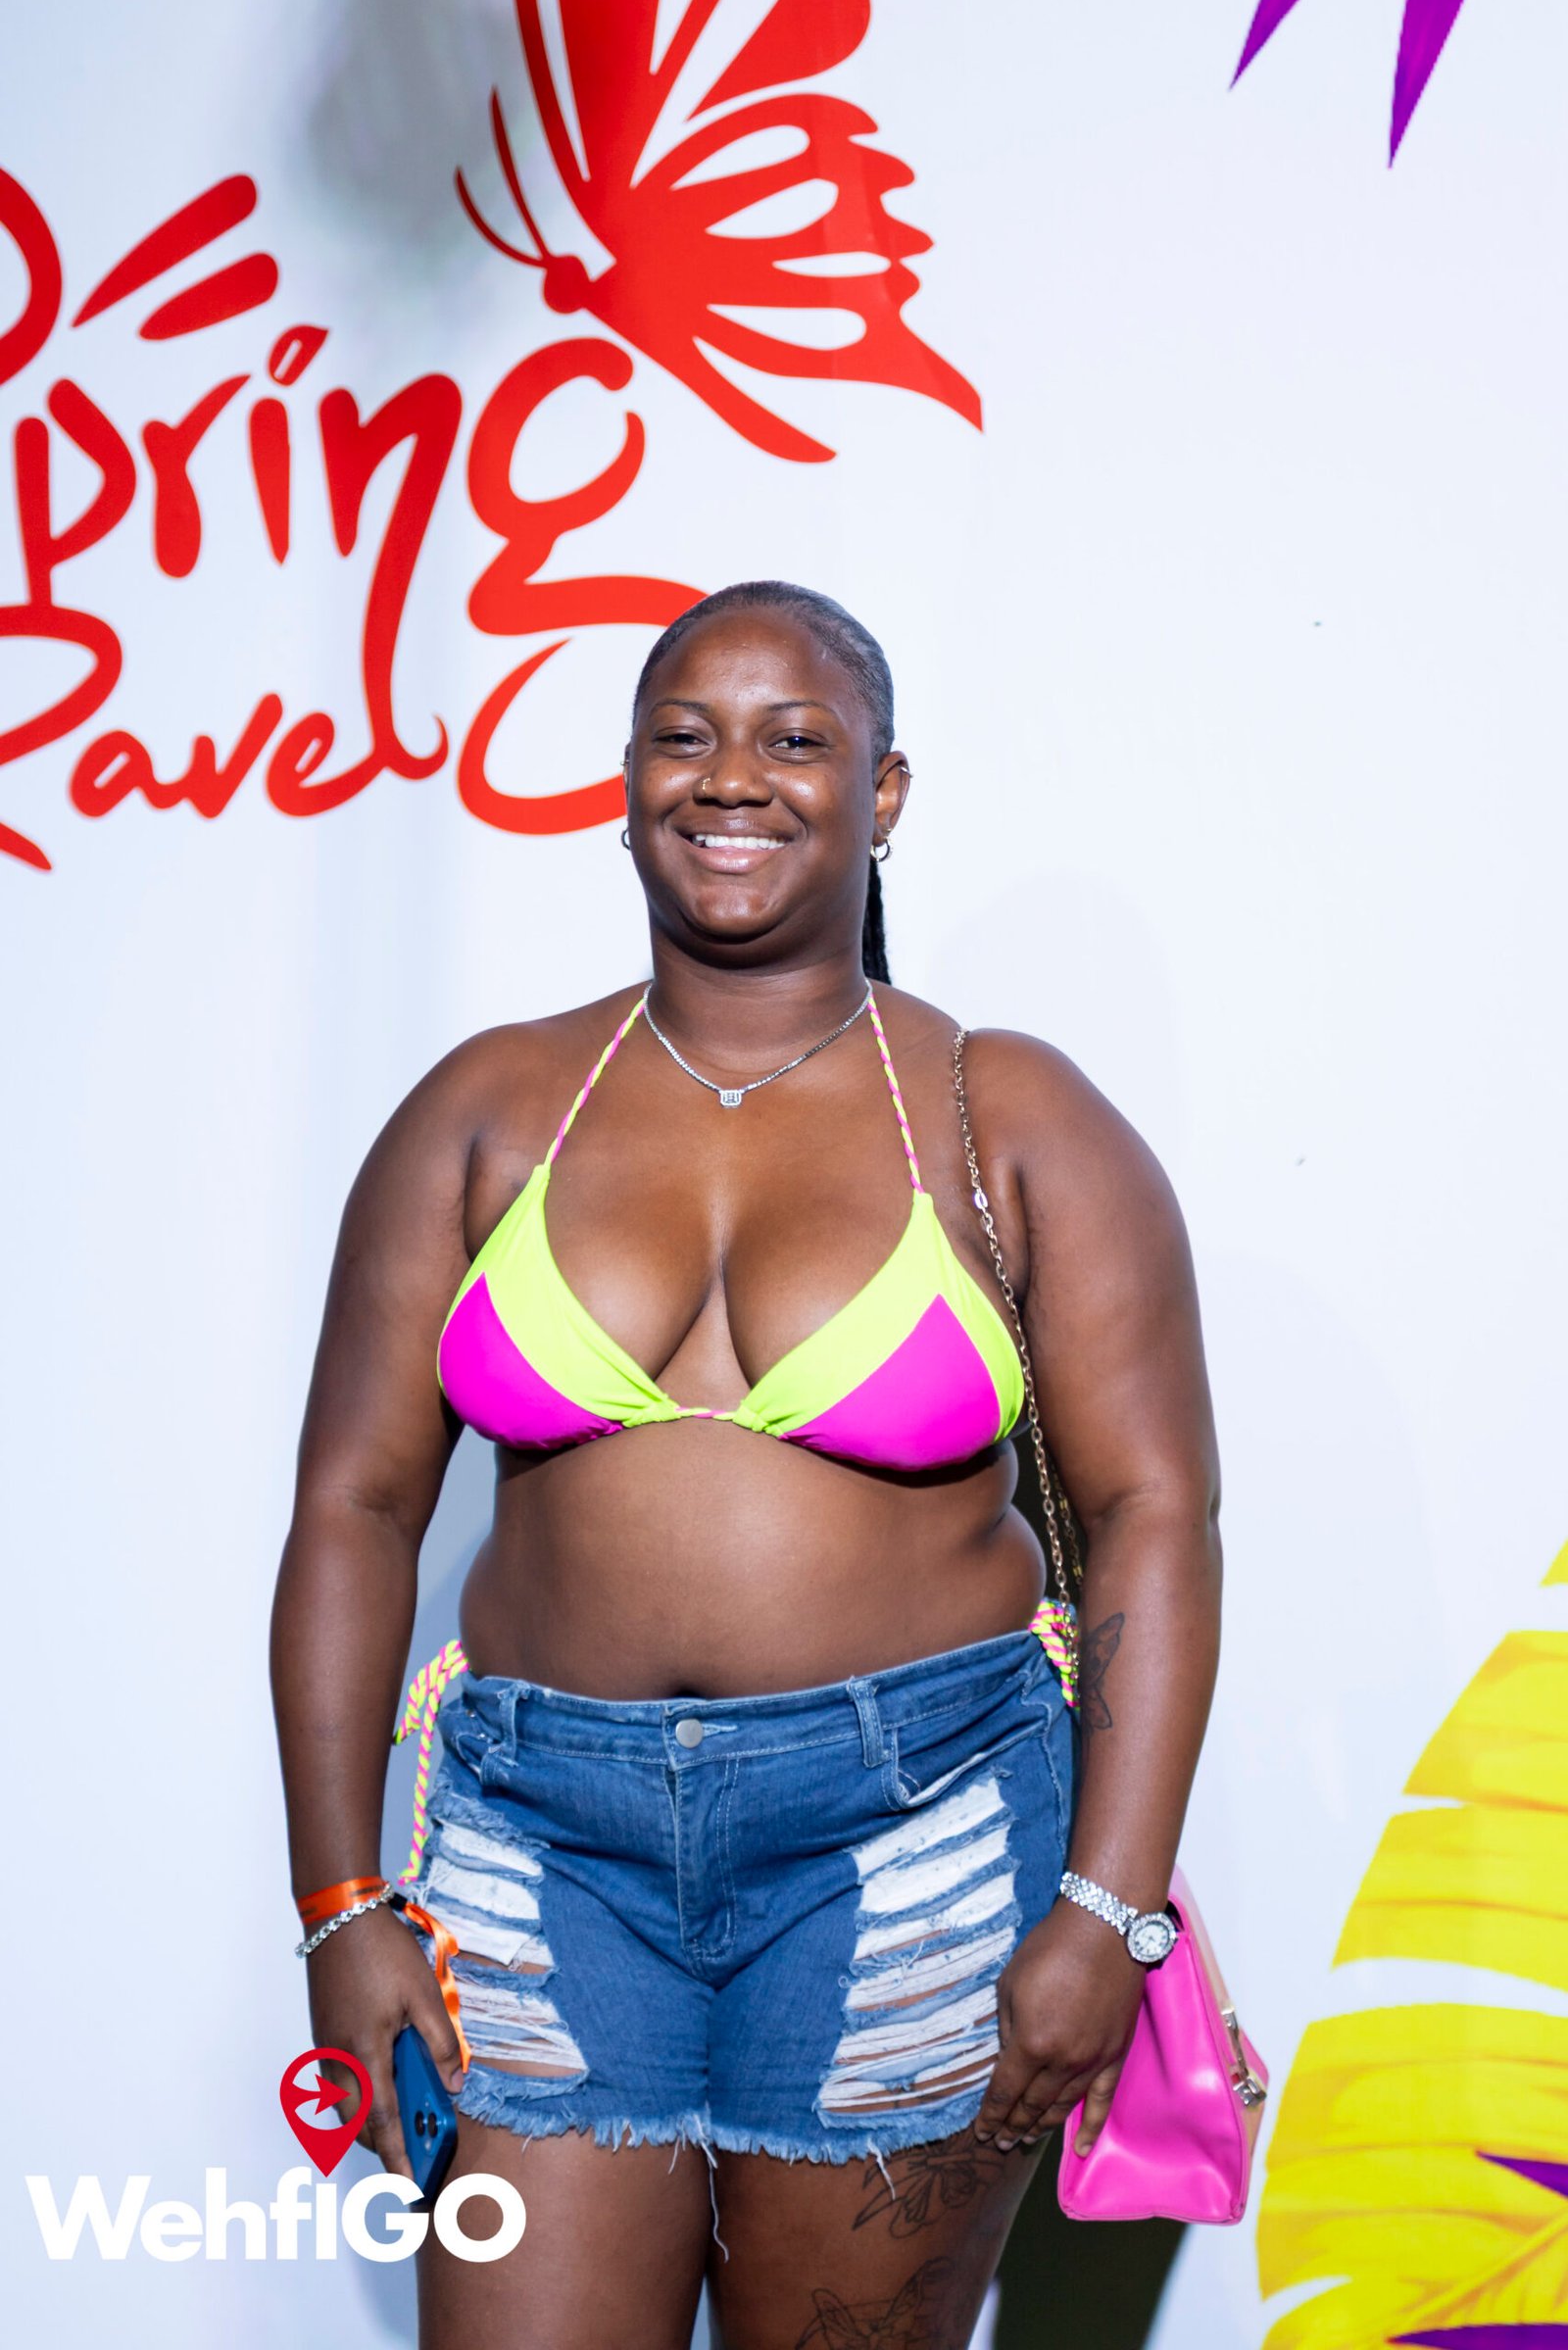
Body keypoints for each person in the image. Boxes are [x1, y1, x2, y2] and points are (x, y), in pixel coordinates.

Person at [270, 580, 1222, 2349]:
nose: (733, 778)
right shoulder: (489, 1109)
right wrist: (339, 1904)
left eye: (796, 739)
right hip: (540, 1846)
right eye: (684, 736)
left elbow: (1158, 1513)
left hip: (917, 1837)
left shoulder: (1007, 1114)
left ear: (884, 790)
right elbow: (355, 1506)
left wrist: (1110, 1909)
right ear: (627, 776)